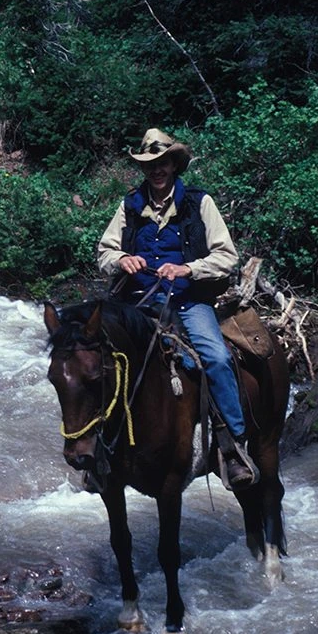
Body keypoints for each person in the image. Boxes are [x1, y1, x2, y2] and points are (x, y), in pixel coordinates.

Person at [98, 127, 257, 489]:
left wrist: (188, 268)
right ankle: (101, 448)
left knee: (215, 357)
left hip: (186, 299)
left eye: (162, 162)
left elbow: (226, 257)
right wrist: (122, 259)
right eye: (149, 164)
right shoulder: (130, 205)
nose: (156, 170)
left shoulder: (199, 203)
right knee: (96, 354)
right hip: (136, 300)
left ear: (174, 164)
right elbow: (104, 251)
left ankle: (233, 445)